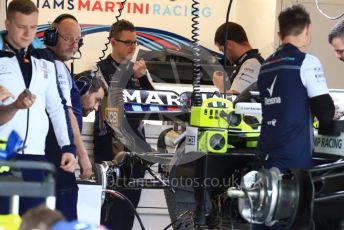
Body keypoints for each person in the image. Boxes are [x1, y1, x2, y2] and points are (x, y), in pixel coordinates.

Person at [255, 5, 335, 229]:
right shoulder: (307, 63)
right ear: (307, 30)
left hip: (265, 155)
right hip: (295, 162)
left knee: (266, 219)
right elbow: (326, 114)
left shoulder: (266, 65)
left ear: (280, 34)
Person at [0, 0, 76, 215]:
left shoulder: (44, 58)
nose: (28, 33)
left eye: (33, 27)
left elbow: (57, 106)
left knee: (34, 223)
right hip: (3, 154)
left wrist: (67, 147)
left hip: (35, 157)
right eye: (21, 26)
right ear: (7, 23)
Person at [44, 14, 105, 221]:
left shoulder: (49, 63)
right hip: (59, 160)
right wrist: (85, 159)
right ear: (51, 36)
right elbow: (67, 113)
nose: (74, 45)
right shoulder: (55, 66)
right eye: (68, 38)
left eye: (78, 40)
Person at [94, 19, 153, 230]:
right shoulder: (101, 69)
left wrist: (143, 77)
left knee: (128, 214)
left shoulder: (137, 70)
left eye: (135, 42)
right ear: (112, 42)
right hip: (110, 152)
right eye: (127, 42)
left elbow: (154, 106)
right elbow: (113, 105)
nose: (132, 47)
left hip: (136, 153)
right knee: (110, 214)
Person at [212, 22, 264, 94]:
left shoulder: (251, 63)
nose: (225, 55)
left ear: (228, 44)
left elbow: (234, 98)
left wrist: (221, 86)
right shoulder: (247, 62)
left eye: (222, 50)